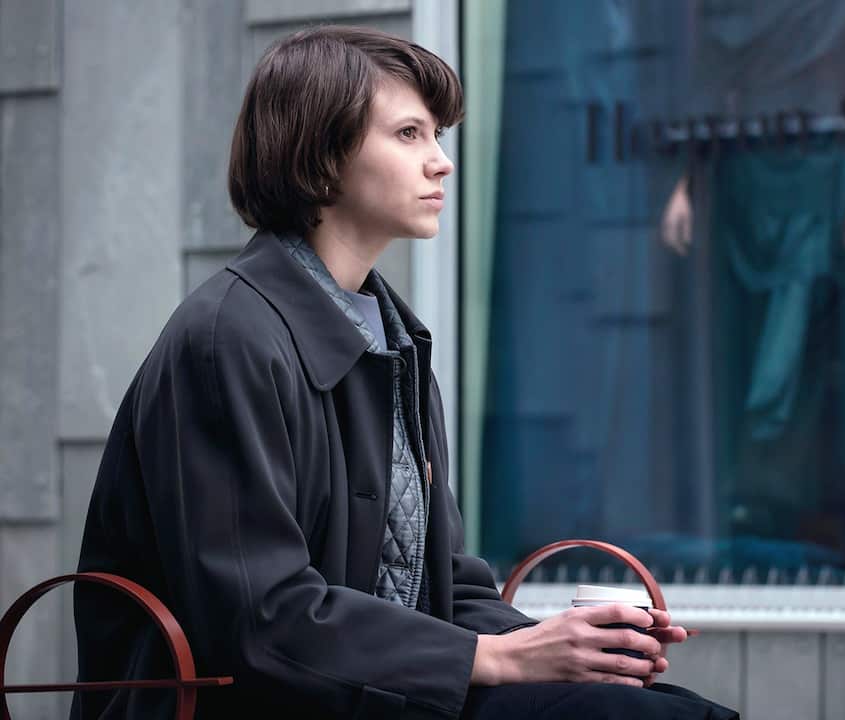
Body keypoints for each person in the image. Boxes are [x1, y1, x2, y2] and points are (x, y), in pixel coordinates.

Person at [71, 25, 738, 720]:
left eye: (437, 136)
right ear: (320, 156)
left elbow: (447, 588)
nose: (441, 163)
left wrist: (572, 649)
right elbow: (260, 620)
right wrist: (503, 659)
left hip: (393, 694)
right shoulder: (227, 339)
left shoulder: (393, 341)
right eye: (409, 134)